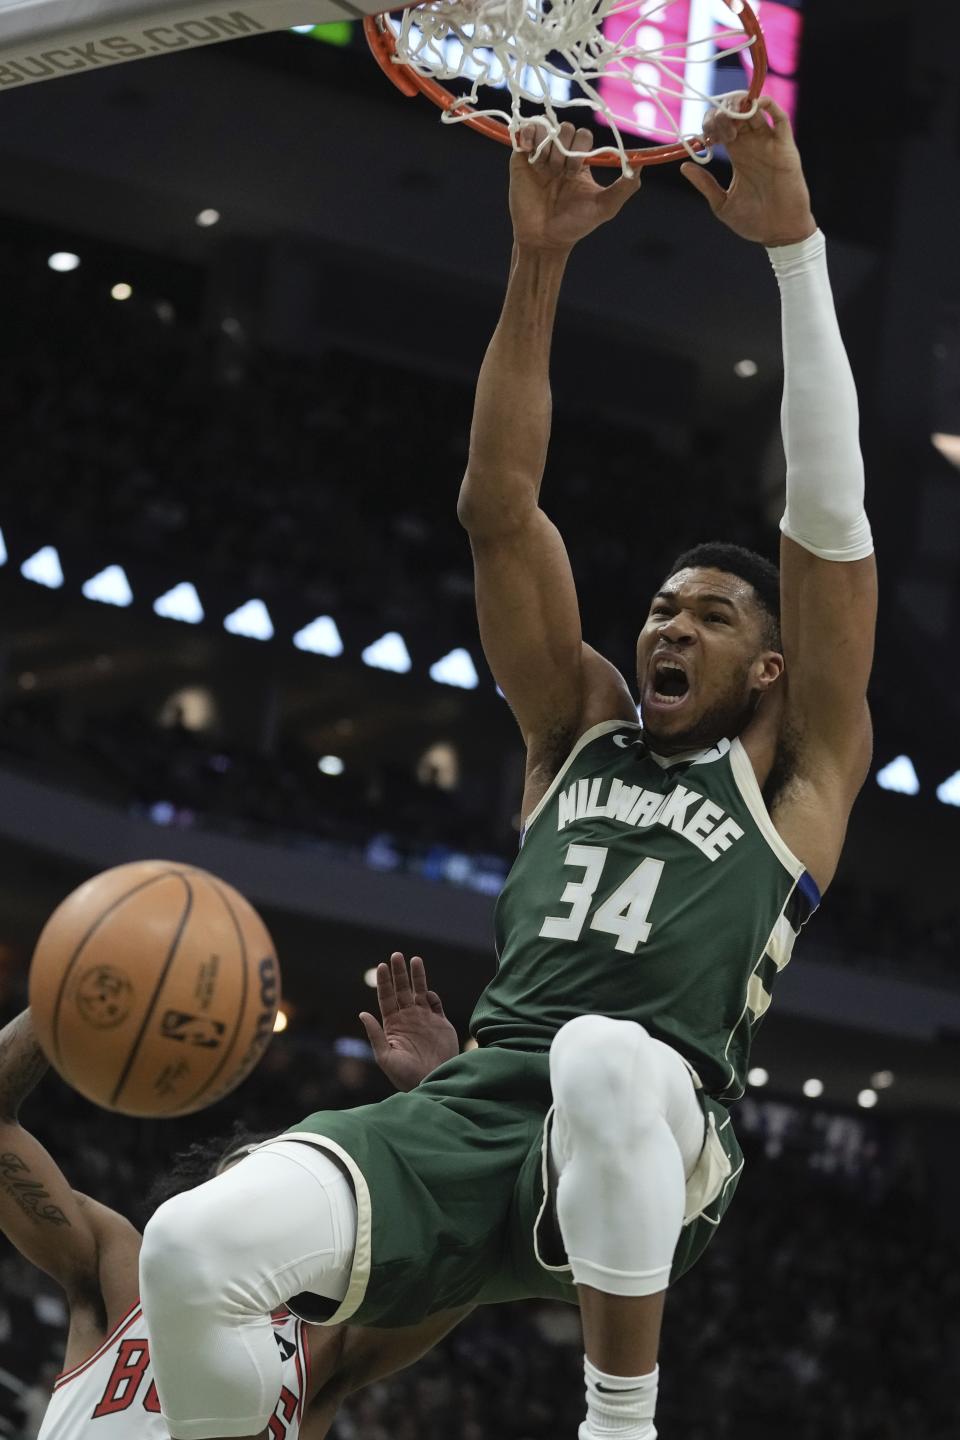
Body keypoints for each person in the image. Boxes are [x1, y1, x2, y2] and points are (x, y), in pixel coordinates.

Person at [139, 99, 877, 1440]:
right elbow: (498, 509)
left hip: (662, 1134)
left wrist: (794, 251)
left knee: (604, 1053)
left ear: (772, 671)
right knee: (186, 1256)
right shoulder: (572, 730)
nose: (668, 624)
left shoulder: (799, 774)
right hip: (482, 1105)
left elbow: (828, 523)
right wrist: (538, 262)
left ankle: (618, 1421)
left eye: (712, 617)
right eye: (662, 606)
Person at [0, 955, 465, 1438]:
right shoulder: (123, 1271)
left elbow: (472, 1254)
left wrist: (447, 1102)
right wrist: (74, 982)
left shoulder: (332, 1341)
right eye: (255, 1163)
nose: (270, 1183)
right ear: (206, 1191)